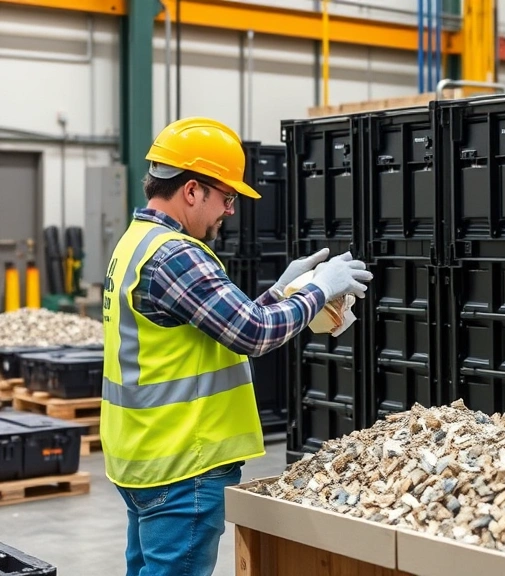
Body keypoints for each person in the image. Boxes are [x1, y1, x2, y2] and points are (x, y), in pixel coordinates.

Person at [99, 117, 373, 576]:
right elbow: (253, 335)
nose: (230, 210)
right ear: (191, 191)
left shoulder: (137, 243)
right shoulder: (176, 254)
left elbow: (221, 329)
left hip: (144, 458)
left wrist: (281, 291)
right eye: (225, 197)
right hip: (185, 463)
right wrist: (318, 292)